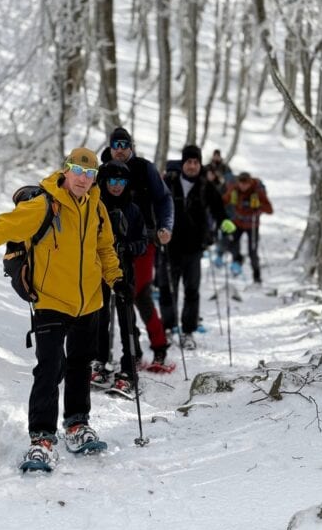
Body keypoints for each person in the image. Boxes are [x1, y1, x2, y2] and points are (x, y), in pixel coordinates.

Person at [0, 147, 126, 471]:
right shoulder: (43, 206)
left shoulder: (97, 209)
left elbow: (105, 249)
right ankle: (42, 439)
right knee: (49, 368)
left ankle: (77, 424)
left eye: (89, 175)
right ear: (65, 170)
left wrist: (116, 279)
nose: (83, 180)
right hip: (51, 301)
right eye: (77, 171)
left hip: (89, 303)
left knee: (80, 366)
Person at [102, 127, 174, 370]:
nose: (120, 149)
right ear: (110, 147)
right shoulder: (102, 169)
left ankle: (160, 347)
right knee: (118, 296)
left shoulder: (145, 168)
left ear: (131, 146)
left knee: (139, 293)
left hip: (145, 241)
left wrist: (166, 227)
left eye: (124, 144)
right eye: (116, 145)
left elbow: (164, 199)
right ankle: (131, 351)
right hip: (109, 244)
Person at [159, 145, 235, 349]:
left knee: (191, 290)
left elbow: (219, 209)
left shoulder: (205, 186)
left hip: (194, 248)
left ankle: (188, 332)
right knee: (167, 289)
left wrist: (225, 222)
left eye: (195, 162)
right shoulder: (169, 182)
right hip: (169, 246)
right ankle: (167, 328)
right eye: (188, 162)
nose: (192, 166)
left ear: (200, 164)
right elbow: (155, 204)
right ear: (183, 163)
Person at [93, 160, 147, 396]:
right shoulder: (95, 206)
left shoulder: (133, 209)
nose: (117, 186)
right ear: (104, 182)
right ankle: (101, 362)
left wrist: (127, 246)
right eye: (112, 181)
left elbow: (143, 242)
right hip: (99, 272)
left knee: (126, 319)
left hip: (125, 271)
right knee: (99, 318)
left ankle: (129, 368)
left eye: (121, 181)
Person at [222, 171, 273, 284]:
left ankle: (257, 276)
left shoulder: (257, 191)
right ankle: (238, 260)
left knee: (252, 252)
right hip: (238, 222)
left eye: (246, 184)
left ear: (250, 183)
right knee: (230, 244)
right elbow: (223, 201)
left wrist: (258, 207)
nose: (243, 186)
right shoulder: (234, 189)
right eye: (241, 183)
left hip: (252, 225)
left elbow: (269, 209)